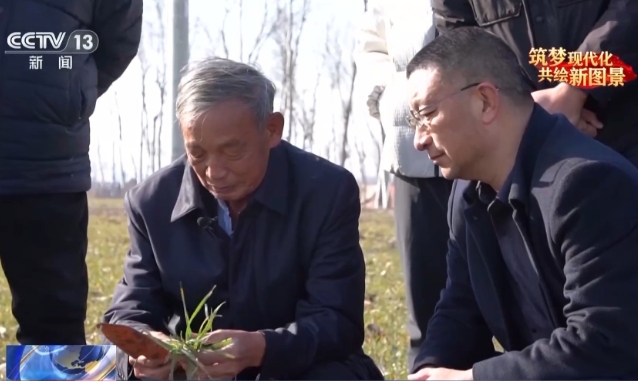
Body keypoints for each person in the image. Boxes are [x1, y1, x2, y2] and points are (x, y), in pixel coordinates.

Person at [102, 58, 384, 381]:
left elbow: (337, 319)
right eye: (197, 153)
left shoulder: (326, 192)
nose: (214, 172)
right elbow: (129, 309)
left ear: (272, 129)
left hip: (296, 368)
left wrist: (264, 348)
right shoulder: (151, 203)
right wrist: (146, 347)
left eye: (233, 152)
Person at [404, 27, 638, 380]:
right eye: (413, 122)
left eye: (427, 114)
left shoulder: (588, 185)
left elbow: (602, 346)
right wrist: (430, 369)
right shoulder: (466, 194)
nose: (419, 140)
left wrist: (468, 379)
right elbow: (459, 308)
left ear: (485, 101)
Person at [0, 1, 142, 345]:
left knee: (52, 329)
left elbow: (118, 36)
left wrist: (71, 93)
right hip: (50, 159)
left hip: (46, 163)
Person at [354, 0, 452, 368]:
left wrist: (572, 90)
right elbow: (372, 43)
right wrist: (387, 97)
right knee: (429, 309)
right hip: (414, 151)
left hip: (508, 137)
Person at [431, 0, 638, 167]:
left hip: (619, 127)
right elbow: (459, 41)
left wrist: (573, 90)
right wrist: (525, 107)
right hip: (520, 144)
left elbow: (629, 10)